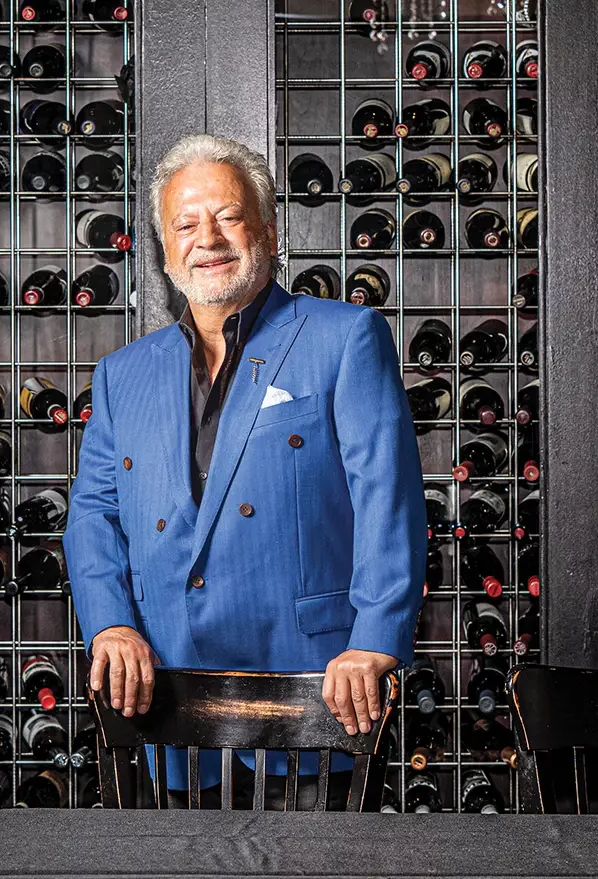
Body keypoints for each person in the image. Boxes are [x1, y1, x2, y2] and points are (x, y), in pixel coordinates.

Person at [63, 132, 426, 808]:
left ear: (269, 229)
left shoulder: (344, 338)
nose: (210, 238)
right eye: (186, 223)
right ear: (165, 247)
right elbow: (95, 515)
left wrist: (376, 638)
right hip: (168, 692)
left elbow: (388, 498)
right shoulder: (121, 375)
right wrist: (110, 622)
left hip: (312, 685)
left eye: (228, 216)